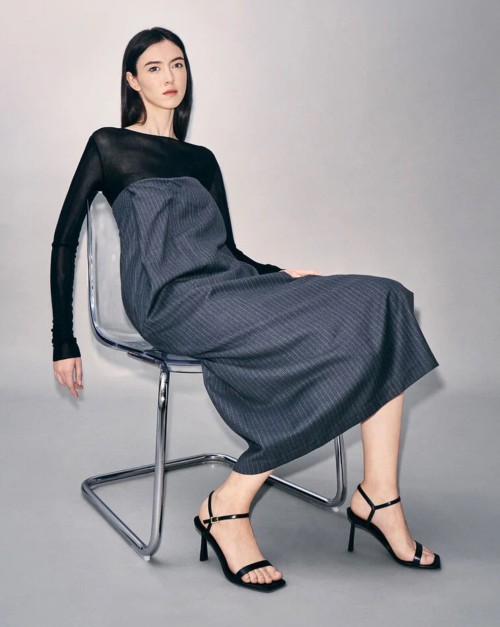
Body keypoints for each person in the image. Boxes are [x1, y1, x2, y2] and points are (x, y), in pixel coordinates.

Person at [51, 26, 441, 592]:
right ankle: (229, 506)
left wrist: (278, 274)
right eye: (154, 67)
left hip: (227, 286)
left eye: (178, 64)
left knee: (384, 298)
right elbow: (64, 239)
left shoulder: (202, 160)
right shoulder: (109, 145)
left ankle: (380, 496)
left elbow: (228, 251)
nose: (170, 77)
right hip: (167, 301)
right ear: (132, 81)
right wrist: (63, 339)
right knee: (333, 330)